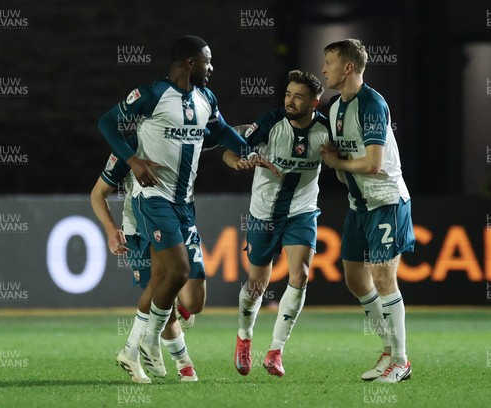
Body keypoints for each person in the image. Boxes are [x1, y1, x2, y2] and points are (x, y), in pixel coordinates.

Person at [97, 35, 250, 383]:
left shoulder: (206, 99)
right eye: (207, 61)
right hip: (153, 200)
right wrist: (133, 161)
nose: (212, 68)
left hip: (185, 205)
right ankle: (153, 343)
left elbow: (223, 132)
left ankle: (136, 346)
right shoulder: (152, 95)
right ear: (190, 63)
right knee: (175, 273)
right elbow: (107, 122)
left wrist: (250, 151)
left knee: (188, 295)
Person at [320, 39, 415, 383]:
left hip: (386, 201)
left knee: (382, 277)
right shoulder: (334, 107)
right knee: (354, 278)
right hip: (358, 206)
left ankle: (401, 361)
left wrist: (336, 161)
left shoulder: (372, 104)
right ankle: (389, 349)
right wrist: (336, 161)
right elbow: (345, 161)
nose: (323, 69)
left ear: (348, 67)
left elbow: (374, 164)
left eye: (328, 61)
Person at [224, 70, 329, 377]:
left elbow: (341, 160)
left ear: (314, 102)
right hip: (264, 213)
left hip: (302, 211)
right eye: (287, 94)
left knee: (302, 275)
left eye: (298, 96)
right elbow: (230, 152)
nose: (290, 101)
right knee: (257, 285)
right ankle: (244, 337)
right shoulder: (270, 122)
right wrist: (240, 161)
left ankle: (275, 351)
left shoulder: (325, 130)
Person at [90, 132, 214, 383]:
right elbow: (97, 193)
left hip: (180, 222)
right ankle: (183, 364)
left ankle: (134, 348)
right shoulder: (129, 149)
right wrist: (111, 228)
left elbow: (215, 134)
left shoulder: (183, 135)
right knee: (160, 293)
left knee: (193, 302)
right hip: (139, 231)